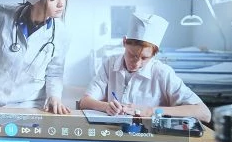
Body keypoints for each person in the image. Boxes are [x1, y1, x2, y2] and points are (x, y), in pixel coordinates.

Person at [77, 13, 211, 122]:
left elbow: (204, 113)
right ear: (124, 42)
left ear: (154, 54)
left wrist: (150, 111)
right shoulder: (110, 64)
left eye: (144, 58)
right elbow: (84, 102)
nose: (136, 63)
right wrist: (106, 106)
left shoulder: (162, 73)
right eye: (132, 55)